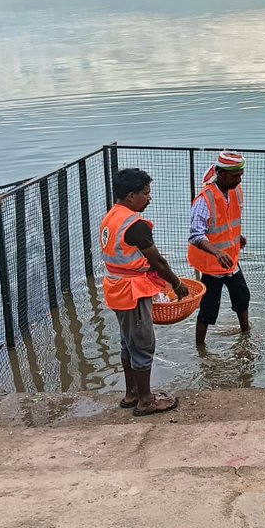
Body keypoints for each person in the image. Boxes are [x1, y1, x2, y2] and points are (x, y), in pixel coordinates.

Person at [99, 167, 188, 416]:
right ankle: (146, 401)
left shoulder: (112, 216)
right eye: (146, 193)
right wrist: (177, 284)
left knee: (128, 343)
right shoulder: (135, 225)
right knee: (143, 345)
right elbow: (159, 262)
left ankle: (132, 393)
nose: (149, 198)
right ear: (131, 196)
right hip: (131, 291)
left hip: (115, 286)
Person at [188, 150, 251, 347]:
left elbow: (227, 221)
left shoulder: (235, 191)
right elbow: (196, 235)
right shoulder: (204, 199)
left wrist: (237, 237)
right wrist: (216, 252)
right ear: (221, 174)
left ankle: (246, 334)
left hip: (230, 260)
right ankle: (200, 346)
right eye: (235, 176)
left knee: (242, 296)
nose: (239, 180)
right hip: (212, 265)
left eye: (240, 175)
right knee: (208, 309)